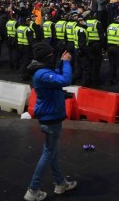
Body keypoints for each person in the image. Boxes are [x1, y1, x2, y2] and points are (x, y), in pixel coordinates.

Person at [24, 43, 77, 201]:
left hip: (51, 115)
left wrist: (61, 63)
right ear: (46, 57)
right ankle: (33, 189)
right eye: (51, 55)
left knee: (52, 152)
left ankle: (60, 183)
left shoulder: (43, 70)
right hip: (50, 116)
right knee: (48, 153)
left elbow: (57, 77)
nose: (53, 57)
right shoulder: (41, 73)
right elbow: (65, 79)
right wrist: (67, 62)